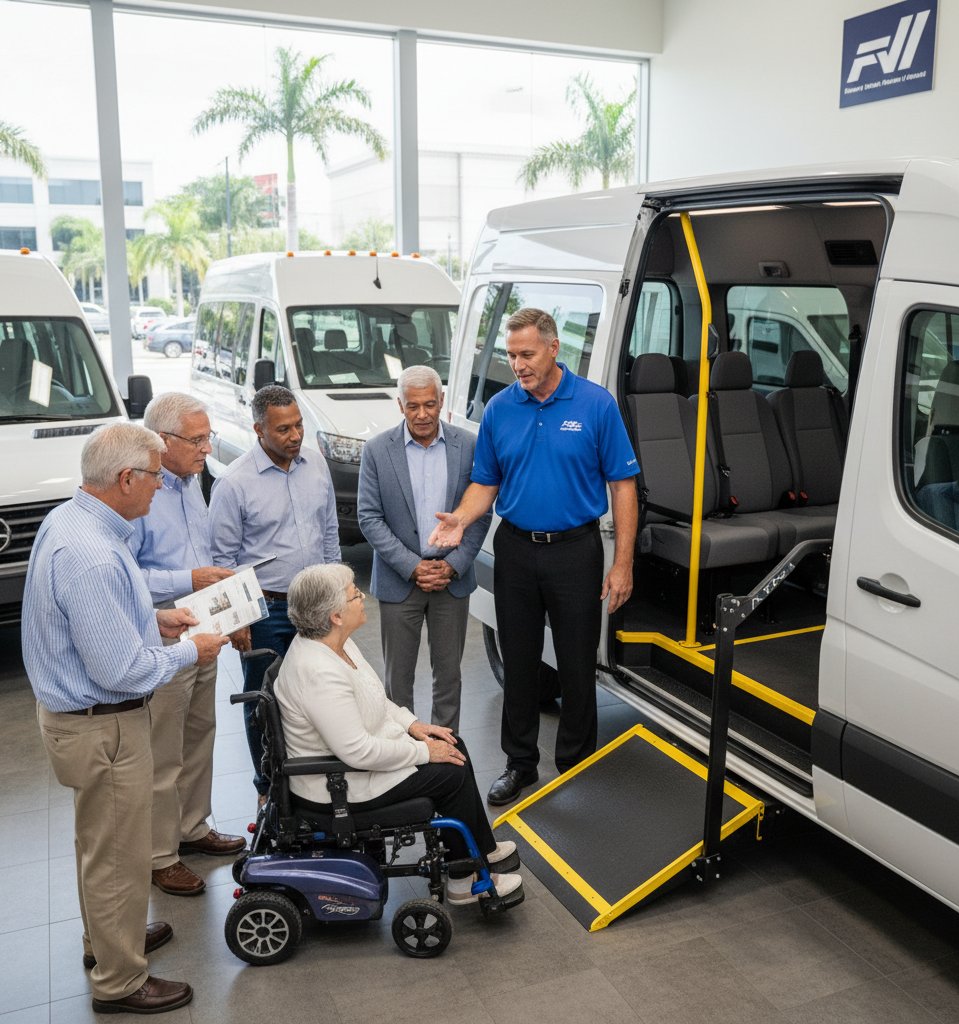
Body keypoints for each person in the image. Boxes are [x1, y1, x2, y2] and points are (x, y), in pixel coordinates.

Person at [21, 422, 227, 1015]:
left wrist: (153, 621)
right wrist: (191, 649)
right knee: (117, 857)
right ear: (126, 478)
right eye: (156, 476)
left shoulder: (75, 520)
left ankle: (107, 940)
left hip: (83, 718)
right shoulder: (88, 552)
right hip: (103, 724)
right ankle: (119, 981)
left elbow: (100, 620)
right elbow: (122, 672)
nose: (162, 486)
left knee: (102, 845)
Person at [429, 307, 640, 806]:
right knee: (520, 664)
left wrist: (623, 561)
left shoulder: (595, 404)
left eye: (526, 354)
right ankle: (519, 764)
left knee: (575, 663)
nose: (517, 364)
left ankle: (575, 763)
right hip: (517, 551)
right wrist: (461, 518)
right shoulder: (502, 408)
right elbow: (486, 481)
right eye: (511, 354)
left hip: (576, 552)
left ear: (553, 348)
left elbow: (623, 485)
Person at [274, 563, 523, 904]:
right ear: (335, 615)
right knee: (448, 769)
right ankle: (463, 880)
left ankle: (481, 849)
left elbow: (376, 696)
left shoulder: (337, 644)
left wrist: (413, 725)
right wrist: (423, 753)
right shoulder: (319, 672)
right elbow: (357, 752)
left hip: (357, 764)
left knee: (451, 742)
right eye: (354, 595)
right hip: (339, 783)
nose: (362, 598)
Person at [128, 393, 248, 899]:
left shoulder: (192, 482)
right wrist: (189, 576)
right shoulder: (139, 496)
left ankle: (193, 829)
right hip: (164, 638)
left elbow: (205, 555)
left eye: (207, 437)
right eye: (197, 440)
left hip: (203, 632)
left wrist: (231, 614)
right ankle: (159, 856)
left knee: (201, 733)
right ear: (163, 441)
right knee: (164, 751)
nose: (206, 448)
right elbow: (128, 577)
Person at [209, 384, 341, 799]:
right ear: (258, 430)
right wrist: (238, 620)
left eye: (299, 425)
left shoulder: (317, 465)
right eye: (283, 429)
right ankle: (268, 789)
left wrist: (338, 590)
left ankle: (315, 786)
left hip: (318, 604)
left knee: (321, 693)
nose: (295, 436)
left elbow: (330, 531)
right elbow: (222, 561)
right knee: (264, 702)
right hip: (265, 609)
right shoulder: (233, 484)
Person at [357, 365, 490, 730]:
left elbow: (479, 513)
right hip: (401, 582)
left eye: (429, 404)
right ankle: (403, 756)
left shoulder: (469, 446)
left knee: (449, 678)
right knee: (397, 682)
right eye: (413, 406)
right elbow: (369, 517)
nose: (422, 414)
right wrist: (413, 566)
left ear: (441, 401)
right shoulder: (377, 450)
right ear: (400, 405)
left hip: (452, 580)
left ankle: (448, 754)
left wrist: (454, 564)